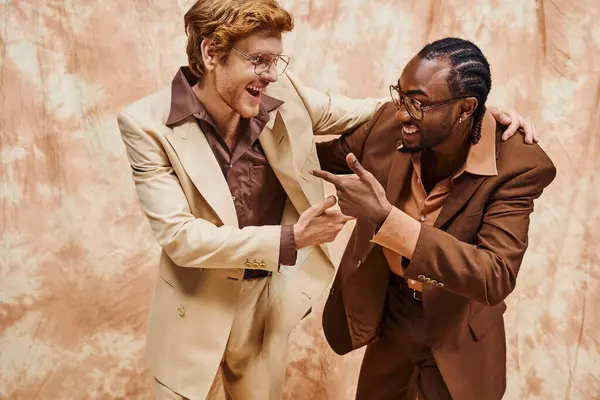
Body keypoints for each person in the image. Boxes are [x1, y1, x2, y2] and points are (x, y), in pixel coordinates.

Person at [118, 0, 536, 397]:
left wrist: (476, 113)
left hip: (263, 304)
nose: (271, 74)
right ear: (211, 53)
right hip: (193, 306)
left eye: (276, 60)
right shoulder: (146, 125)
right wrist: (292, 239)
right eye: (258, 60)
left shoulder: (283, 99)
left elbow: (380, 113)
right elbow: (180, 238)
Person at [314, 37, 556, 400]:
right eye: (401, 95)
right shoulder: (387, 127)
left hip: (457, 332)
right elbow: (303, 156)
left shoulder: (518, 164)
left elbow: (495, 274)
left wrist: (385, 217)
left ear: (465, 109)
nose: (402, 113)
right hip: (392, 315)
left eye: (419, 104)